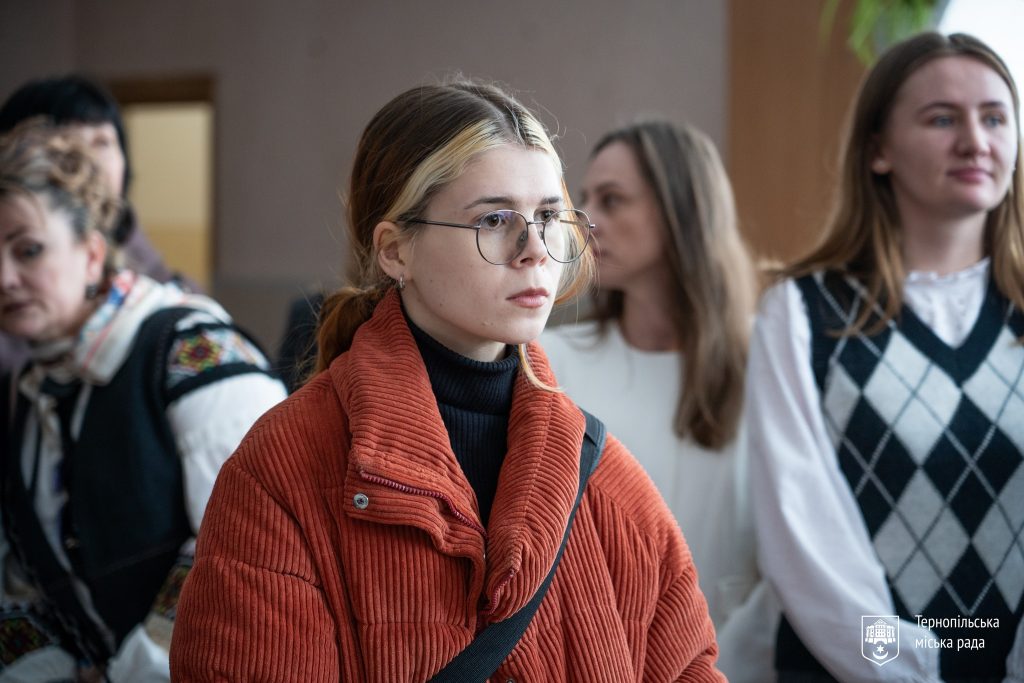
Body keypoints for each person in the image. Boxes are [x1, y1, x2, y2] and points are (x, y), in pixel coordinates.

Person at [170, 80, 724, 681]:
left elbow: (688, 664)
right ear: (394, 251)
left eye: (547, 216)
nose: (534, 249)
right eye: (494, 219)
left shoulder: (605, 479)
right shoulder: (282, 472)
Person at [745, 32, 1024, 682]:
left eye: (994, 117)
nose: (975, 141)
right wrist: (908, 671)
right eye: (942, 119)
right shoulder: (800, 313)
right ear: (878, 150)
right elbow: (803, 538)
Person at [0, 123, 286, 681]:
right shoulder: (29, 388)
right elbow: (27, 580)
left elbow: (249, 547)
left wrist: (132, 672)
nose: (4, 277)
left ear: (91, 254)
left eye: (28, 250)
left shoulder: (193, 349)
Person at [541, 119, 772, 681]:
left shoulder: (771, 360)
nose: (585, 220)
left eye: (612, 199)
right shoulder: (551, 359)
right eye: (584, 199)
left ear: (681, 209)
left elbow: (794, 559)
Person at [0, 73, 198, 378]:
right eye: (68, 144)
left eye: (102, 142)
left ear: (93, 254)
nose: (90, 160)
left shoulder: (179, 311)